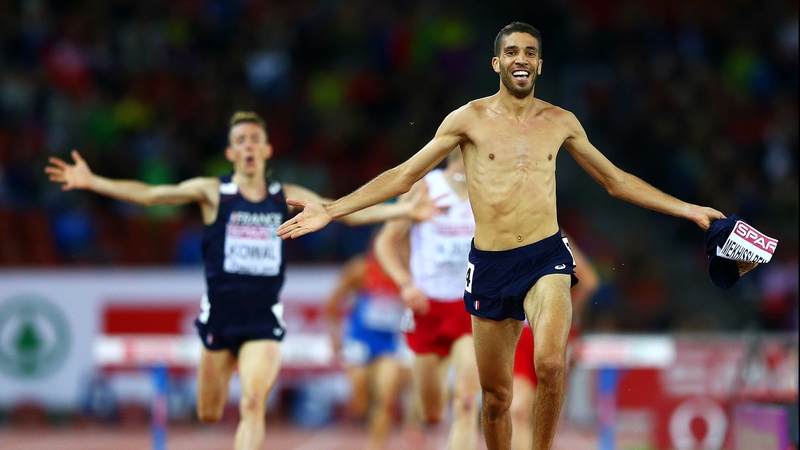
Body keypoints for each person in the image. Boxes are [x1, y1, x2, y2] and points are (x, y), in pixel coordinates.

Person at [276, 22, 725, 450]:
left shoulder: (561, 121)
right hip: (490, 266)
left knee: (549, 365)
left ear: (541, 64)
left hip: (545, 256)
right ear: (496, 63)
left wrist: (687, 209)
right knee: (495, 400)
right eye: (512, 52)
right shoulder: (467, 119)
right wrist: (332, 209)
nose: (521, 59)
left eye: (530, 52)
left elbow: (616, 180)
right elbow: (402, 176)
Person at [44, 111, 437, 450]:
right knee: (210, 412)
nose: (248, 145)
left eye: (255, 139)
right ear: (231, 153)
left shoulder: (287, 195)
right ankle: (217, 374)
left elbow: (342, 213)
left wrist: (403, 210)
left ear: (266, 150)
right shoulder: (214, 192)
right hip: (220, 319)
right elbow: (151, 195)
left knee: (252, 402)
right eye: (240, 140)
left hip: (264, 320)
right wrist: (94, 182)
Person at [373, 148, 481, 450]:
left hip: (469, 309)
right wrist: (406, 284)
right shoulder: (425, 187)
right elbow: (384, 243)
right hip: (427, 309)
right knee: (432, 412)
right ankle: (435, 402)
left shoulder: (489, 190)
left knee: (468, 401)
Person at [509, 234, 600, 450]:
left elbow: (589, 281)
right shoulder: (501, 231)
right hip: (520, 334)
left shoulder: (552, 235)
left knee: (541, 416)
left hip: (552, 333)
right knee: (518, 410)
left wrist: (566, 315)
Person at [324, 247, 418, 450]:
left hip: (389, 343)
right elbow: (332, 303)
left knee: (385, 398)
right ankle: (362, 404)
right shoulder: (360, 270)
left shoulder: (407, 274)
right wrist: (335, 335)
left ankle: (376, 446)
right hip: (360, 340)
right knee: (360, 403)